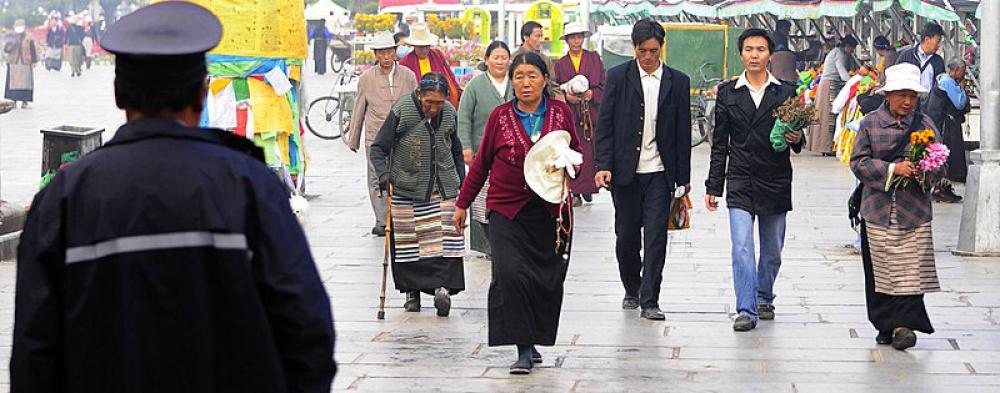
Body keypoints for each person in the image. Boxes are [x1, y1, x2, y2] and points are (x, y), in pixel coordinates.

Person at [11, 3, 336, 391]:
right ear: (202, 93)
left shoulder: (64, 200)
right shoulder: (249, 186)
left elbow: (34, 354)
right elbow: (307, 329)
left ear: (118, 93)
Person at [454, 52, 581, 374]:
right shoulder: (499, 117)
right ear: (512, 80)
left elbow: (577, 153)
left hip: (550, 213)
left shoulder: (561, 113)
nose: (526, 83)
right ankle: (523, 348)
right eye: (520, 76)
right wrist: (462, 204)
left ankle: (534, 339)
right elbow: (481, 163)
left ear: (544, 79)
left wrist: (567, 164)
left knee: (545, 279)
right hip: (506, 210)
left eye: (532, 76)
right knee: (510, 275)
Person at [595, 18, 692, 321]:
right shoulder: (618, 77)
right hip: (625, 173)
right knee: (626, 236)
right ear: (634, 49)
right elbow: (605, 126)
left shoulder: (678, 81)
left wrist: (683, 178)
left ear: (661, 47)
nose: (648, 57)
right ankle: (632, 287)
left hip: (660, 174)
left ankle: (650, 298)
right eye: (642, 51)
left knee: (655, 238)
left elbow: (682, 132)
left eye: (653, 50)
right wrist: (603, 165)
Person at [706, 29, 803, 332]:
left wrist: (797, 137)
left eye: (760, 50)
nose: (754, 55)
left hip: (775, 178)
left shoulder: (786, 92)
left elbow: (799, 140)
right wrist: (713, 186)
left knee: (772, 249)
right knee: (742, 247)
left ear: (770, 55)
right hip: (740, 178)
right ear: (741, 54)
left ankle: (764, 295)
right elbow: (720, 144)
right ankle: (746, 308)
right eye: (748, 49)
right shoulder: (727, 93)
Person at [850, 63, 943, 351]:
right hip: (878, 211)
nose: (907, 102)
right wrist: (893, 169)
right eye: (902, 95)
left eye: (912, 96)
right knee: (881, 269)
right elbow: (858, 163)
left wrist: (925, 172)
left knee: (911, 271)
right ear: (887, 94)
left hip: (914, 212)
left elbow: (941, 163)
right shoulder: (869, 124)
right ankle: (885, 323)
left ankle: (905, 326)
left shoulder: (926, 125)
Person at [369, 72, 467, 317]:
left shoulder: (449, 114)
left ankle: (443, 289)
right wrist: (383, 175)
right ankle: (412, 293)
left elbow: (455, 151)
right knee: (409, 242)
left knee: (447, 239)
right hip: (407, 186)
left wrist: (463, 184)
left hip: (443, 186)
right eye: (428, 102)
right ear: (418, 94)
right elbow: (378, 148)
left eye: (439, 102)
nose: (433, 108)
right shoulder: (402, 110)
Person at [347, 31, 418, 237]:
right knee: (375, 177)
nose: (386, 57)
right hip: (375, 136)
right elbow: (359, 108)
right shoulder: (366, 78)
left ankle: (400, 216)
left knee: (404, 175)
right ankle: (380, 219)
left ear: (395, 52)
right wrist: (354, 138)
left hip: (403, 136)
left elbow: (417, 105)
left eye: (389, 52)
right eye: (381, 53)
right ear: (375, 55)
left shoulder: (408, 76)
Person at [456, 40, 514, 257]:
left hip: (512, 156)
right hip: (483, 154)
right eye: (495, 57)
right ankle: (487, 245)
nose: (500, 61)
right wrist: (466, 146)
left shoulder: (516, 83)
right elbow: (463, 117)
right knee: (481, 202)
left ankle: (507, 240)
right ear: (487, 60)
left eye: (504, 57)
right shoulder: (475, 86)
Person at [554, 23, 605, 205]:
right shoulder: (560, 64)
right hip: (572, 116)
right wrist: (567, 98)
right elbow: (556, 88)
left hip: (591, 115)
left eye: (579, 37)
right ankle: (575, 191)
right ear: (567, 40)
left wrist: (592, 94)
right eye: (572, 37)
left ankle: (588, 187)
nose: (576, 41)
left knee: (591, 153)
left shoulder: (594, 59)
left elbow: (603, 84)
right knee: (573, 151)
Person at [925, 58, 970, 197]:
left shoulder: (942, 79)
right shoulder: (948, 82)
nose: (963, 74)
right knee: (949, 155)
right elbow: (959, 104)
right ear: (955, 70)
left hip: (941, 123)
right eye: (962, 71)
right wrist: (962, 88)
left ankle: (942, 187)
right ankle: (941, 188)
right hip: (947, 126)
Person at [808, 35, 857, 155]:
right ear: (847, 46)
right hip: (829, 86)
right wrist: (854, 81)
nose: (852, 52)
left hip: (829, 84)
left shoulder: (838, 52)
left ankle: (826, 147)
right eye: (852, 48)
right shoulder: (838, 54)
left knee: (826, 115)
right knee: (827, 116)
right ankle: (826, 147)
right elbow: (842, 72)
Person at [399, 23, 463, 108]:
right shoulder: (405, 62)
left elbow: (450, 77)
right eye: (421, 47)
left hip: (441, 103)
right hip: (418, 107)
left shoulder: (437, 55)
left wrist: (459, 94)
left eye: (427, 46)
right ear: (414, 46)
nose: (424, 50)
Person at [515, 21, 564, 101]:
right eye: (537, 36)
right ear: (526, 37)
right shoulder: (513, 59)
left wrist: (561, 103)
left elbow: (553, 85)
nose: (540, 40)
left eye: (541, 36)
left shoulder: (545, 59)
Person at [895, 23, 945, 93]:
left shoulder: (938, 61)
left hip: (929, 102)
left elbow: (940, 86)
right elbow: (896, 78)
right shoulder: (906, 56)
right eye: (937, 41)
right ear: (927, 39)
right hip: (909, 100)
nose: (939, 45)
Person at [3, 19, 37, 109]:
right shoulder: (10, 37)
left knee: (26, 83)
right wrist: (11, 43)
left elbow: (32, 49)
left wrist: (34, 61)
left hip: (25, 62)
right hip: (14, 62)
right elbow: (6, 49)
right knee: (13, 83)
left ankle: (24, 102)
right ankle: (13, 101)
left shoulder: (28, 37)